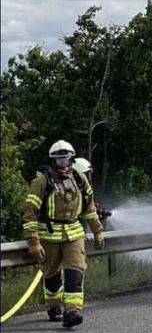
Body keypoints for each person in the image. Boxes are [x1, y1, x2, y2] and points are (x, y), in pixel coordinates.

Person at [22, 140, 105, 328]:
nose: (63, 165)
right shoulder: (41, 182)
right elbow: (29, 213)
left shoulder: (79, 179)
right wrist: (33, 242)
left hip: (74, 233)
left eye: (66, 160)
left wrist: (98, 231)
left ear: (71, 160)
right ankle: (54, 306)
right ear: (53, 161)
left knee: (75, 271)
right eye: (59, 161)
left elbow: (90, 208)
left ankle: (73, 311)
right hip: (48, 236)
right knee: (51, 274)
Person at [72, 158, 112, 225]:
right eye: (86, 175)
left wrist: (97, 212)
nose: (88, 179)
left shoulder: (83, 192)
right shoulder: (71, 193)